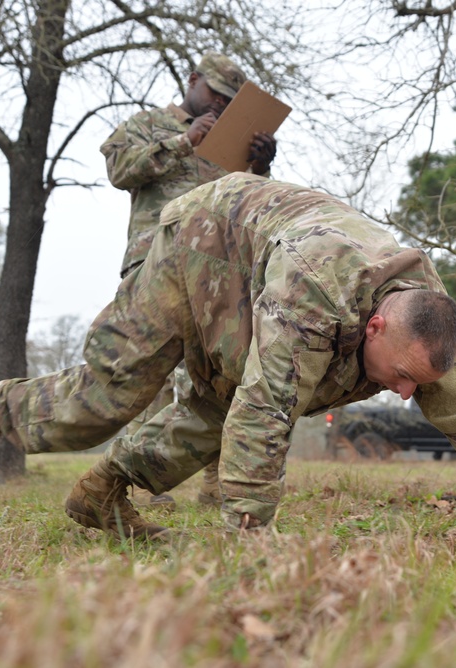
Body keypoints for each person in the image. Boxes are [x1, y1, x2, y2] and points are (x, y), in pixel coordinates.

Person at [0, 173, 456, 567]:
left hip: (263, 263)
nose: (408, 397)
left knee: (224, 400)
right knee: (114, 395)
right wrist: (251, 544)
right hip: (201, 241)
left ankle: (104, 491)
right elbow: (264, 413)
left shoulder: (428, 331)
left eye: (418, 384)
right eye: (402, 377)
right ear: (375, 325)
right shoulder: (318, 292)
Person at [101, 51, 278, 507]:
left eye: (229, 101)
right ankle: (135, 483)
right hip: (153, 261)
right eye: (215, 95)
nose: (220, 106)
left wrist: (261, 166)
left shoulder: (232, 140)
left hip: (217, 271)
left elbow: (250, 202)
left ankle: (220, 481)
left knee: (226, 371)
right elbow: (119, 171)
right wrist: (183, 142)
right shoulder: (149, 123)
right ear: (193, 80)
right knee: (148, 371)